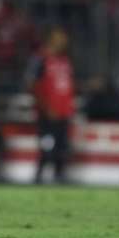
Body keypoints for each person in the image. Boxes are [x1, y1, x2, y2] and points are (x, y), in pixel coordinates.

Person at [24, 26, 76, 184]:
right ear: (51, 38)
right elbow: (31, 84)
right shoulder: (40, 59)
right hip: (47, 114)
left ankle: (59, 179)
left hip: (63, 113)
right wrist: (46, 107)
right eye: (60, 36)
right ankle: (39, 177)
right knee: (47, 147)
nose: (64, 40)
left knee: (62, 149)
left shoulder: (66, 61)